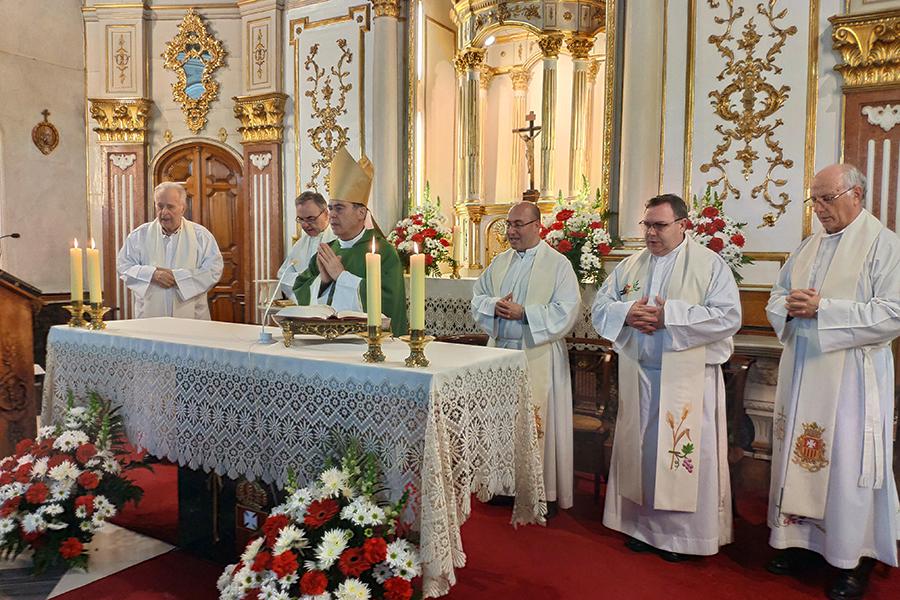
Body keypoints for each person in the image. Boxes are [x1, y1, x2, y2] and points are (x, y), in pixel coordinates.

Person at [765, 163, 900, 600]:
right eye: (814, 199)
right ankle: (800, 542)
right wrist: (788, 306)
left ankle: (852, 558)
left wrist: (825, 308)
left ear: (856, 195)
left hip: (853, 380)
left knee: (845, 464)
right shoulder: (807, 247)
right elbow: (776, 295)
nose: (819, 208)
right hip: (804, 369)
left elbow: (893, 313)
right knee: (799, 456)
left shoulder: (884, 246)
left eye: (827, 198)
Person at [591, 194, 741, 561]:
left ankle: (682, 538)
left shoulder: (710, 265)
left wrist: (668, 316)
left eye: (660, 225)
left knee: (679, 456)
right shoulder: (630, 266)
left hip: (686, 381)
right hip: (640, 375)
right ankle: (642, 528)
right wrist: (627, 314)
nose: (651, 233)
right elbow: (599, 306)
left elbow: (727, 317)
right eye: (647, 225)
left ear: (683, 225)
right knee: (643, 453)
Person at [471, 201, 581, 516]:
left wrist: (526, 314)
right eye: (509, 224)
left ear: (537, 226)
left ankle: (539, 489)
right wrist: (493, 305)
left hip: (539, 353)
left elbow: (567, 310)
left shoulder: (558, 265)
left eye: (519, 224)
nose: (512, 231)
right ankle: (503, 486)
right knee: (501, 419)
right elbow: (477, 297)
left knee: (537, 421)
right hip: (501, 354)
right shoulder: (500, 262)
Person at [293, 147, 407, 336]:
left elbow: (389, 302)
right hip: (324, 345)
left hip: (368, 346)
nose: (332, 215)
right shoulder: (326, 250)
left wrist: (341, 276)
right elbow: (299, 289)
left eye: (339, 208)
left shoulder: (382, 252)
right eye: (330, 208)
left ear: (361, 212)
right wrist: (322, 281)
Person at [116, 182, 223, 319]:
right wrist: (152, 274)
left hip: (192, 317)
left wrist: (178, 277)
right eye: (160, 206)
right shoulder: (139, 236)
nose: (164, 212)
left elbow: (214, 270)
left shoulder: (201, 236)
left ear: (183, 208)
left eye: (170, 206)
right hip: (149, 317)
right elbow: (124, 266)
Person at [276, 191, 335, 300]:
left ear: (326, 214)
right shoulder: (300, 244)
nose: (305, 225)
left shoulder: (338, 240)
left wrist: (306, 280)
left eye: (311, 218)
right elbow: (282, 276)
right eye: (301, 219)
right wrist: (308, 280)